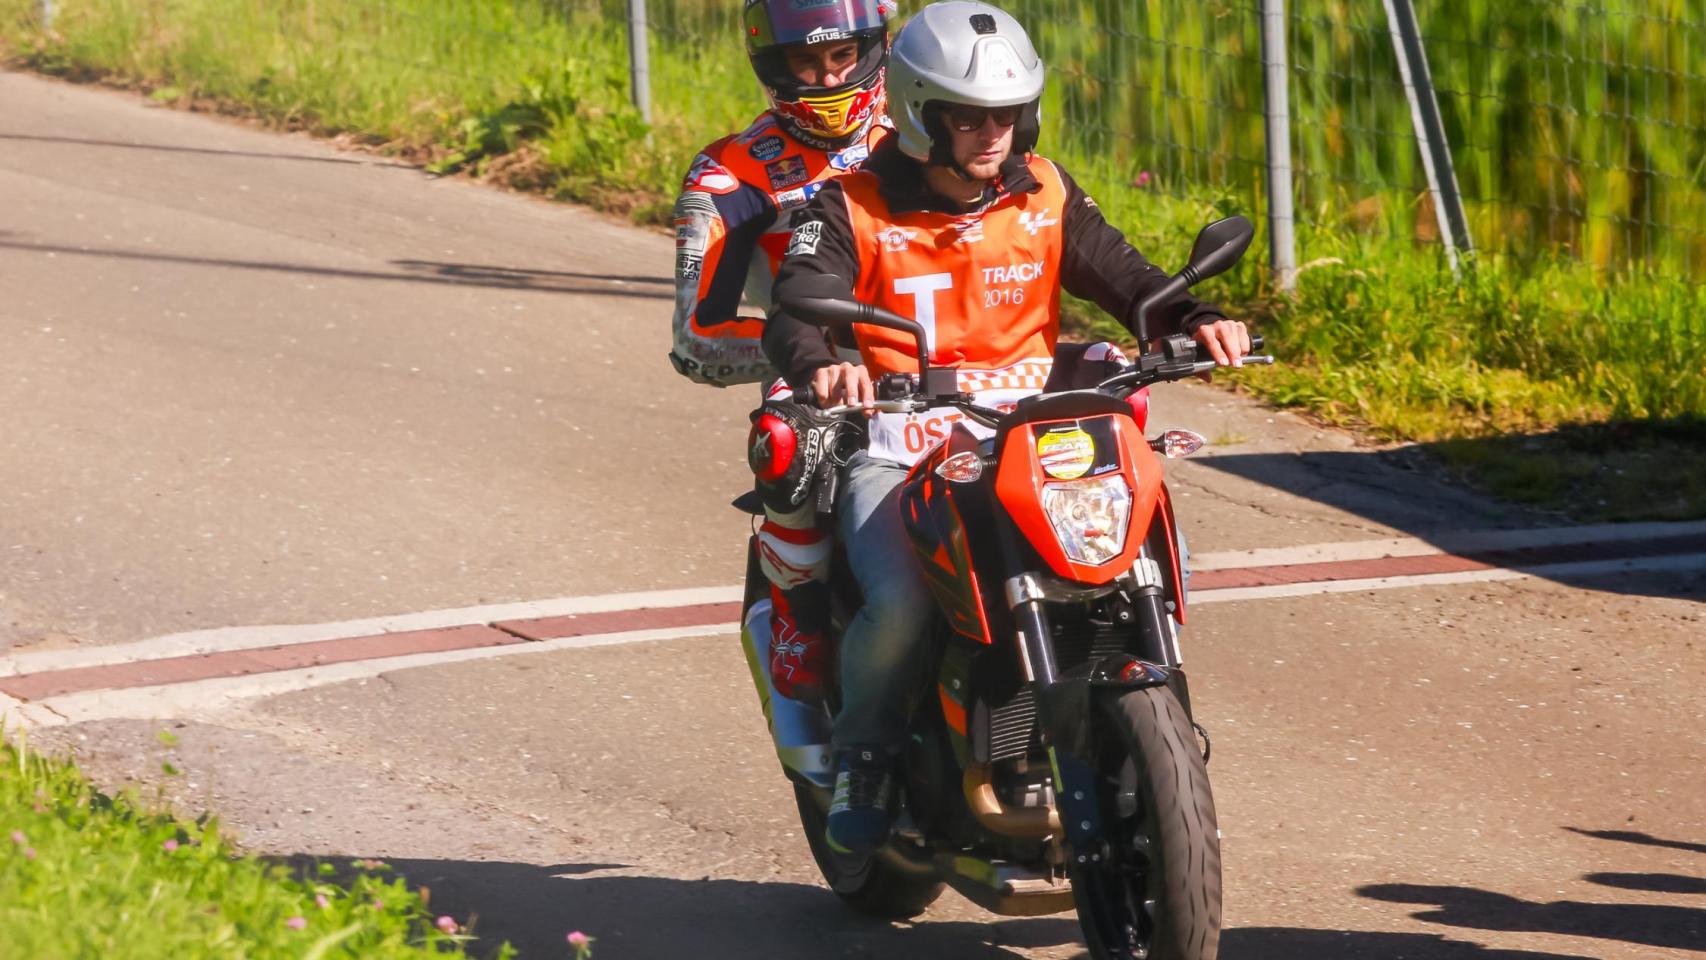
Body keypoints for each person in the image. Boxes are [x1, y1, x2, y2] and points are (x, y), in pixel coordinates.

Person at [763, 0, 1253, 856]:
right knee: (906, 597)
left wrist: (1198, 317)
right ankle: (867, 756)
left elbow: (1131, 280)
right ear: (922, 112)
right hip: (901, 436)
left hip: (1030, 429)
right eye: (968, 116)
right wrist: (818, 364)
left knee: (1120, 555)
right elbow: (795, 305)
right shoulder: (848, 203)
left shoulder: (1046, 191)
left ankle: (1140, 728)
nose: (992, 134)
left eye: (1006, 113)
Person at [667, 0, 893, 703]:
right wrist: (812, 362)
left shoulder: (930, 136)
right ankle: (796, 621)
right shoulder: (726, 174)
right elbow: (696, 339)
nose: (827, 78)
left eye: (840, 57)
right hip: (813, 373)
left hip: (950, 355)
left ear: (874, 50)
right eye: (805, 62)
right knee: (786, 440)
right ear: (774, 67)